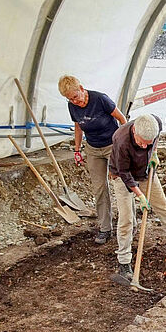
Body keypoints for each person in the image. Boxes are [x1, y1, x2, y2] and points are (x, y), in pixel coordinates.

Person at [109, 114, 166, 281]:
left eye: (148, 143)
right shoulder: (121, 140)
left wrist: (153, 152)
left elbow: (156, 138)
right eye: (141, 143)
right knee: (126, 220)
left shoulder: (155, 123)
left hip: (146, 172)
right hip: (121, 176)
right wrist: (140, 196)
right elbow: (124, 173)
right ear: (134, 131)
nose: (144, 146)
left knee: (164, 208)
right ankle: (124, 262)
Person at [58, 75, 127, 245]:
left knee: (122, 185)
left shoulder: (100, 99)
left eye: (76, 97)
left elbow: (122, 119)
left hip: (112, 146)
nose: (74, 101)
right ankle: (105, 228)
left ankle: (127, 226)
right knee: (99, 188)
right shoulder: (72, 106)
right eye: (70, 99)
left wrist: (123, 144)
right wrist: (77, 150)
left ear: (81, 88)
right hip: (93, 149)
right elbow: (78, 127)